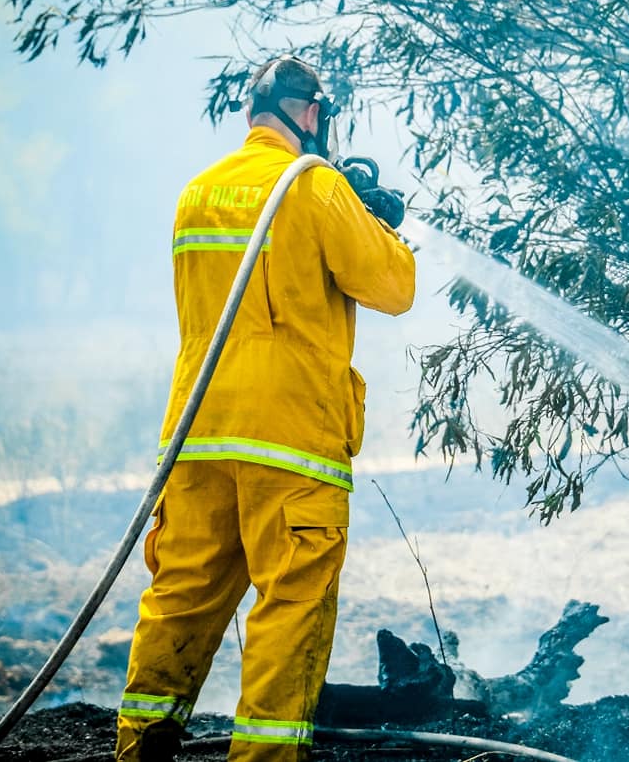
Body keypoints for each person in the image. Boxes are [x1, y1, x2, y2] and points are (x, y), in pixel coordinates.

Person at [116, 55, 417, 761]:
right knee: (288, 610)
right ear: (310, 114)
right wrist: (371, 217)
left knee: (180, 598)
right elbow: (393, 285)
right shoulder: (313, 187)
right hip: (291, 446)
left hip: (196, 440)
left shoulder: (197, 194)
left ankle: (138, 748)